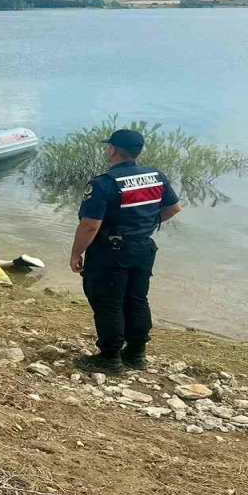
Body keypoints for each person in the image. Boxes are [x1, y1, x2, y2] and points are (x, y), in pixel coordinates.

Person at [69, 129, 183, 375]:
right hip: (143, 248)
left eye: (108, 147)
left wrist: (76, 253)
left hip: (110, 252)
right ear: (138, 151)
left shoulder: (104, 183)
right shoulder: (156, 176)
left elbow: (90, 225)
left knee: (108, 302)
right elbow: (174, 208)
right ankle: (136, 354)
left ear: (112, 149)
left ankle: (110, 358)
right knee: (137, 299)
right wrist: (146, 226)